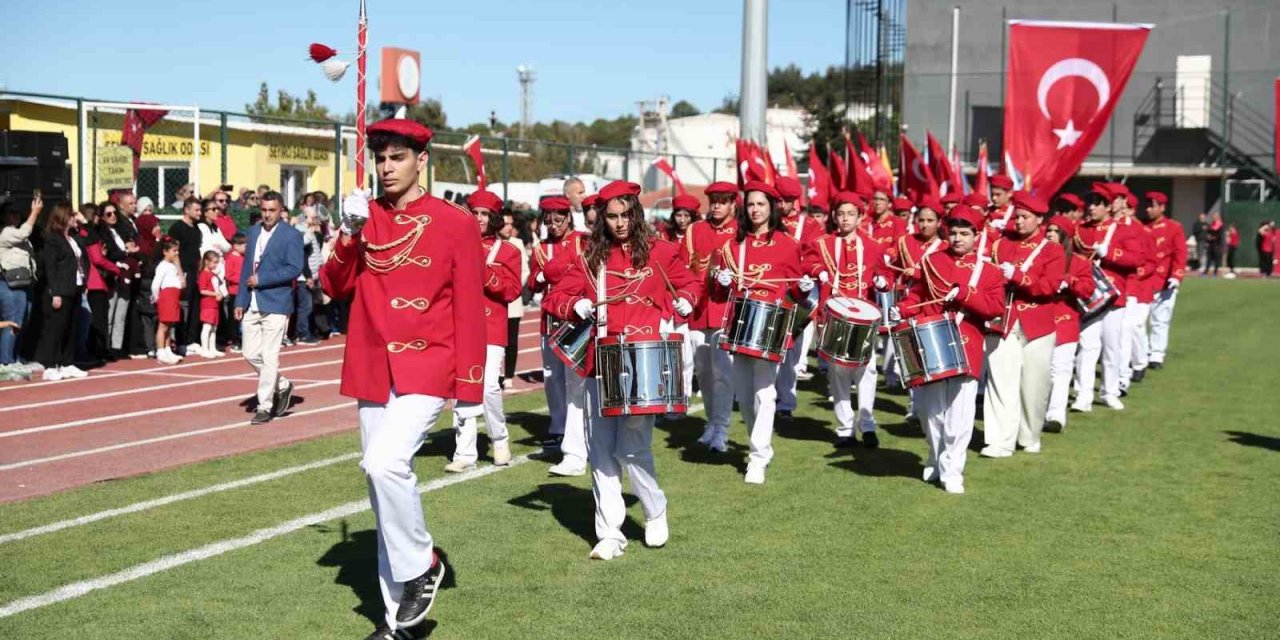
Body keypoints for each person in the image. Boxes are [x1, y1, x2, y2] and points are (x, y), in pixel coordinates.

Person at [321, 119, 485, 637]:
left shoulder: (455, 222)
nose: (387, 168)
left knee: (384, 463)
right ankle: (398, 625)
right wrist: (346, 234)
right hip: (372, 363)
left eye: (397, 158)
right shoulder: (362, 216)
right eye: (381, 158)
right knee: (378, 487)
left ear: (421, 161)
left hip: (428, 363)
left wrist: (471, 389)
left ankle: (422, 565)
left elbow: (469, 309)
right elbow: (334, 285)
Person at [542, 179, 699, 560]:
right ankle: (610, 532)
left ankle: (654, 507)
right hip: (601, 361)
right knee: (600, 450)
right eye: (611, 217)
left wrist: (686, 302)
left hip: (642, 361)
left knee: (632, 448)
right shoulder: (591, 256)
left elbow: (690, 283)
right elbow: (555, 296)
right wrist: (574, 306)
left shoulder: (662, 250)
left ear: (636, 213)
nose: (619, 223)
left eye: (626, 215)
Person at [891, 205, 1007, 494]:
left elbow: (995, 308)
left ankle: (953, 469)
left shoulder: (989, 270)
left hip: (967, 342)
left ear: (976, 236)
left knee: (961, 413)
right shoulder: (932, 261)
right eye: (953, 233)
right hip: (932, 339)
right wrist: (902, 309)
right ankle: (934, 455)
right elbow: (918, 294)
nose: (957, 239)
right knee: (931, 411)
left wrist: (966, 293)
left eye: (964, 234)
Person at [711, 181, 811, 485]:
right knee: (744, 392)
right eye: (751, 204)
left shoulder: (787, 243)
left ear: (771, 209)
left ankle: (757, 456)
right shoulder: (732, 246)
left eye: (761, 205)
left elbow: (794, 292)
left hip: (772, 324)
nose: (755, 210)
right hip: (740, 324)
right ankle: (761, 446)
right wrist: (722, 280)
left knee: (764, 392)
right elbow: (717, 294)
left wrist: (802, 289)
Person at [801, 191, 889, 447]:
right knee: (838, 371)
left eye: (851, 214)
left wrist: (883, 282)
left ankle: (868, 424)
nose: (845, 219)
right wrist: (819, 271)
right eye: (841, 214)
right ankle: (845, 428)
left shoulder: (872, 246)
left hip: (865, 315)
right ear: (834, 217)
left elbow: (885, 276)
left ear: (860, 216)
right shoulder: (823, 243)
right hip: (834, 314)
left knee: (868, 370)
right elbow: (808, 262)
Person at [980, 192, 1063, 458]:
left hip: (1037, 324)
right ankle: (999, 441)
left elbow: (1048, 287)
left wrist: (1018, 276)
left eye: (1025, 217)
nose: (1019, 221)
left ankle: (1029, 435)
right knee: (1000, 382)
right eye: (1017, 216)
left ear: (1040, 219)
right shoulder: (1000, 245)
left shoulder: (1052, 250)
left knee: (1033, 386)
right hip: (1003, 321)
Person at [445, 190, 521, 473]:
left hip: (491, 326)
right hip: (460, 325)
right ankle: (464, 451)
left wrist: (483, 271)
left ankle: (499, 438)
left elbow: (512, 290)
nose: (478, 219)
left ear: (494, 218)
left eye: (485, 214)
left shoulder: (508, 250)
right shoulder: (455, 245)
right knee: (462, 385)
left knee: (488, 386)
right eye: (474, 213)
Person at [527, 196, 590, 476]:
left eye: (558, 219)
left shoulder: (582, 241)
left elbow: (578, 272)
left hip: (577, 317)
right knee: (552, 377)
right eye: (548, 220)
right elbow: (531, 283)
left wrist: (549, 274)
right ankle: (557, 427)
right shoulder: (541, 248)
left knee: (575, 380)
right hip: (550, 319)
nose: (553, 225)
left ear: (568, 217)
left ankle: (579, 437)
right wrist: (538, 278)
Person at [1072, 184, 1144, 411]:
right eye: (1089, 204)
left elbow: (1136, 259)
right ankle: (1083, 395)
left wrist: (1111, 253)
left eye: (1097, 204)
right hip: (1088, 296)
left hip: (1112, 297)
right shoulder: (1079, 229)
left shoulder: (1123, 230)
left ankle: (1109, 391)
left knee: (1112, 348)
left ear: (1107, 207)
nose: (1091, 208)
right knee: (1087, 346)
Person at [234, 191, 304, 425]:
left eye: (272, 210)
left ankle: (265, 405)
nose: (267, 214)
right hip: (252, 302)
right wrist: (240, 300)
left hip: (277, 302)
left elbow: (294, 268)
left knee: (269, 355)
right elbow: (246, 268)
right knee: (249, 353)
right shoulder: (253, 232)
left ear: (281, 210)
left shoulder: (291, 235)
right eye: (264, 210)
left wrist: (263, 279)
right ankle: (282, 385)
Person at [681, 181, 739, 451]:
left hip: (726, 309)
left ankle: (722, 428)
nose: (716, 205)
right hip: (697, 309)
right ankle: (711, 423)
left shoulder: (739, 231)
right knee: (703, 371)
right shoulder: (695, 230)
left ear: (732, 204)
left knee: (724, 372)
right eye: (713, 200)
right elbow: (682, 266)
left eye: (723, 200)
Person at [774, 176, 825, 419]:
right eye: (778, 199)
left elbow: (814, 255)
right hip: (773, 287)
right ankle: (768, 395)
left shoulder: (809, 225)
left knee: (791, 350)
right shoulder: (769, 221)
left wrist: (804, 272)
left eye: (784, 201)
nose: (780, 204)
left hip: (798, 290)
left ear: (794, 201)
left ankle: (786, 402)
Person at [1043, 214, 1094, 432]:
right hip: (1039, 321)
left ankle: (1056, 415)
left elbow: (1087, 290)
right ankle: (1036, 412)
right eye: (1049, 230)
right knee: (1038, 371)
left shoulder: (1079, 262)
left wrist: (1070, 281)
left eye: (1056, 231)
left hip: (1065, 321)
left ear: (1066, 236)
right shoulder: (1037, 257)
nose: (1051, 235)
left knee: (1060, 370)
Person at [36, 203, 89, 381]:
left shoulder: (73, 237)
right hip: (61, 289)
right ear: (64, 217)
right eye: (72, 215)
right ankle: (50, 365)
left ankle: (67, 363)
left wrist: (85, 223)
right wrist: (55, 292)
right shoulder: (53, 239)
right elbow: (50, 267)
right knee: (56, 329)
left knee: (71, 327)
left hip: (75, 287)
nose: (75, 218)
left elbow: (90, 240)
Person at [1144, 192, 1186, 370]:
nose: (1148, 209)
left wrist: (1176, 276)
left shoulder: (1173, 227)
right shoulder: (1142, 226)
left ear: (1162, 208)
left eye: (1152, 205)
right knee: (1139, 321)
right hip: (1144, 280)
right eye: (1147, 205)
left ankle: (1157, 354)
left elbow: (1180, 253)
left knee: (1160, 319)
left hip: (1164, 280)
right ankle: (1142, 352)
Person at [1, 195, 41, 368]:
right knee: (13, 320)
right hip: (9, 283)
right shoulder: (5, 232)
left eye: (18, 213)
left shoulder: (16, 231)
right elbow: (24, 233)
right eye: (12, 213)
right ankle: (6, 360)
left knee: (23, 321)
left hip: (24, 283)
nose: (17, 216)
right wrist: (35, 212)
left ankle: (16, 357)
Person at [167, 198, 205, 356]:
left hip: (196, 271)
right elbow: (173, 252)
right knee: (184, 307)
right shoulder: (177, 228)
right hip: (184, 271)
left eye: (200, 210)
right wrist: (180, 272)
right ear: (186, 210)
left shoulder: (197, 229)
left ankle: (191, 340)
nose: (199, 213)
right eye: (196, 210)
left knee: (196, 306)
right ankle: (181, 341)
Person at [500, 209, 526, 388]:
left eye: (511, 224)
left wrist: (512, 289)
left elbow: (524, 270)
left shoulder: (517, 243)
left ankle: (509, 375)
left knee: (511, 339)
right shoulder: (490, 242)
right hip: (492, 301)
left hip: (513, 298)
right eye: (505, 224)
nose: (509, 227)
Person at [151, 239, 186, 365]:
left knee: (170, 326)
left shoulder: (173, 266)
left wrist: (178, 265)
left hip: (175, 296)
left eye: (177, 251)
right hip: (166, 296)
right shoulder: (162, 266)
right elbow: (155, 284)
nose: (176, 254)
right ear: (165, 252)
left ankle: (168, 349)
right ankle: (160, 351)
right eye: (173, 251)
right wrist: (156, 297)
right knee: (163, 325)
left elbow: (182, 283)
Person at [196, 250, 225, 359]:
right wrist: (215, 294)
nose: (216, 264)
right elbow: (202, 290)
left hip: (215, 304)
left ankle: (212, 348)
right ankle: (205, 348)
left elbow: (217, 287)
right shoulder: (204, 274)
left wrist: (220, 294)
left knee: (214, 328)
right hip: (207, 304)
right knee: (207, 327)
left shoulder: (213, 274)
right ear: (206, 262)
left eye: (217, 262)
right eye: (214, 262)